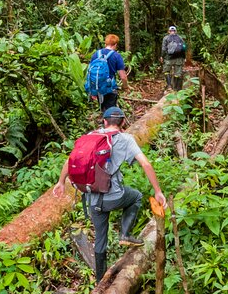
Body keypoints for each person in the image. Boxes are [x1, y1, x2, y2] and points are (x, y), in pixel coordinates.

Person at [53, 106, 166, 282]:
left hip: (92, 198)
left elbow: (70, 160)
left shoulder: (91, 136)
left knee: (100, 238)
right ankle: (125, 235)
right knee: (135, 196)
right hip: (113, 197)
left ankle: (100, 281)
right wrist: (158, 191)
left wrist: (60, 182)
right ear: (122, 123)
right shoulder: (126, 139)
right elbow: (146, 164)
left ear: (105, 122)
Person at [89, 34, 129, 111]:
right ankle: (109, 121)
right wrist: (125, 87)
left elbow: (91, 71)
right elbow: (123, 77)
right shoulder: (116, 56)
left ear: (105, 44)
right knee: (110, 109)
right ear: (116, 44)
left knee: (103, 108)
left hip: (98, 86)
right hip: (110, 87)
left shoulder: (96, 54)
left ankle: (105, 120)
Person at [160, 26, 186, 91]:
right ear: (176, 31)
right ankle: (176, 89)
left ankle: (169, 86)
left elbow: (163, 49)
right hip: (179, 59)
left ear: (168, 31)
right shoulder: (180, 38)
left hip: (168, 58)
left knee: (166, 71)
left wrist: (162, 56)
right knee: (177, 73)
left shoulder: (166, 38)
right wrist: (184, 57)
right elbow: (184, 47)